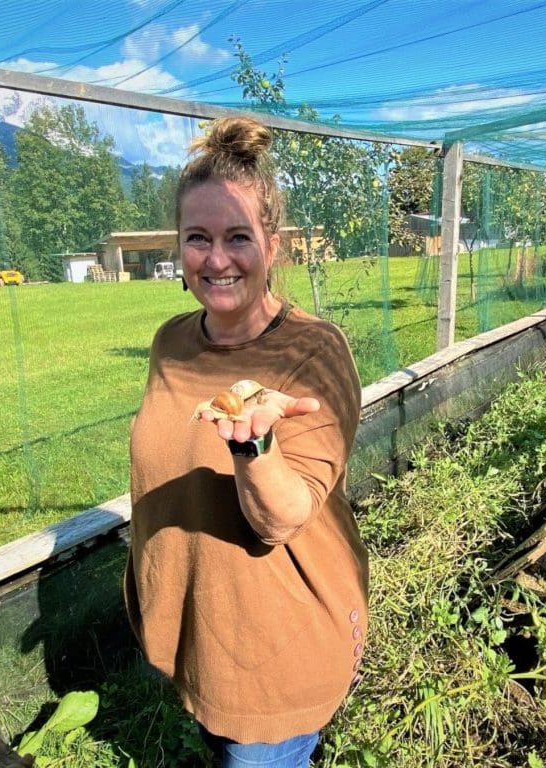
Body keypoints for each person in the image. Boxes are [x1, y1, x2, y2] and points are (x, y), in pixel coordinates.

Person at [124, 116, 369, 767]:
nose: (218, 259)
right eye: (198, 238)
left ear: (274, 245)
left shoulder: (313, 351)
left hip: (275, 656)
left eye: (238, 237)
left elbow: (284, 516)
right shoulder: (170, 342)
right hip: (203, 634)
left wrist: (254, 446)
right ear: (177, 247)